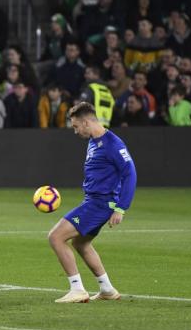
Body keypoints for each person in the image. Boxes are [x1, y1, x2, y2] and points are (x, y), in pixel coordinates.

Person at [48, 102, 137, 303]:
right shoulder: (93, 141)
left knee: (56, 237)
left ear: (86, 122)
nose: (75, 130)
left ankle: (77, 289)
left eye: (76, 126)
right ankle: (107, 289)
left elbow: (130, 174)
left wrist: (121, 208)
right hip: (93, 201)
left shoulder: (113, 144)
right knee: (81, 243)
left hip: (100, 204)